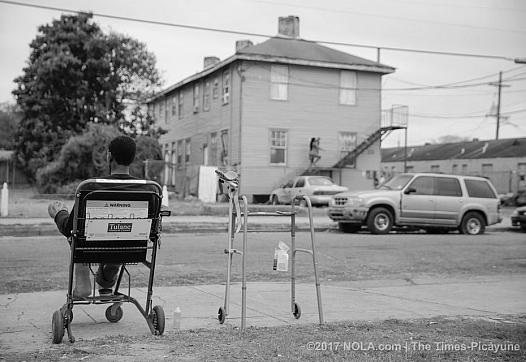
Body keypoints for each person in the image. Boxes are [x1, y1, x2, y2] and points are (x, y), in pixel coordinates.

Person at [48, 135, 140, 297]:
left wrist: (59, 213)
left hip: (91, 248)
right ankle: (106, 282)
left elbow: (70, 228)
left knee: (77, 235)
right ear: (132, 159)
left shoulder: (91, 187)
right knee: (121, 236)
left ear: (109, 156)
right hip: (130, 248)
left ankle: (83, 280)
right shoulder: (150, 190)